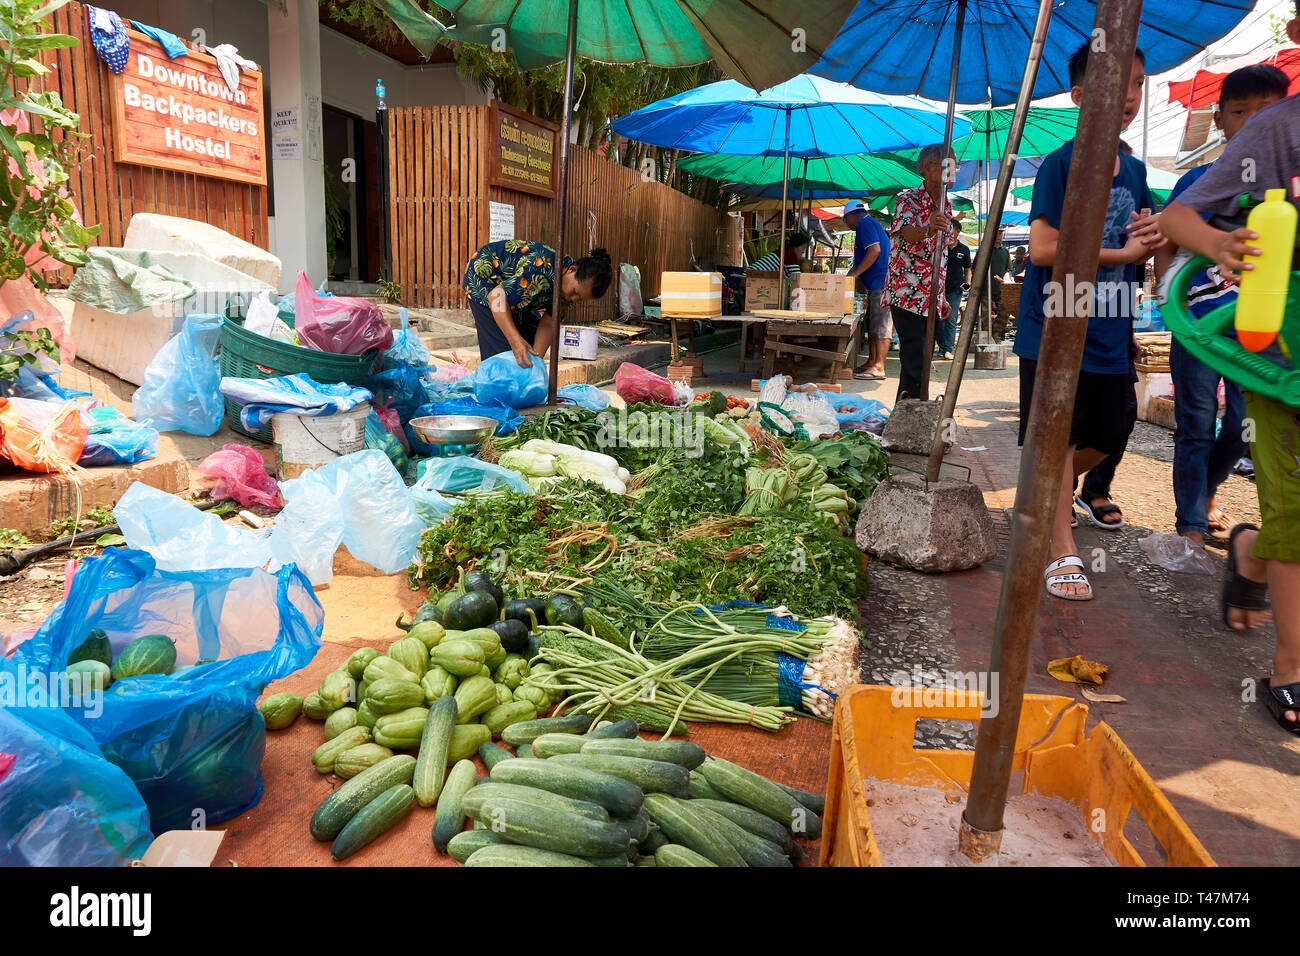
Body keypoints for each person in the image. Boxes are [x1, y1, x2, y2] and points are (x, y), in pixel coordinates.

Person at [1159, 4, 1300, 736]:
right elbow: (1182, 217)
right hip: (1278, 357)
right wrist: (1220, 246)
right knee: (1293, 504)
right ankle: (1291, 671)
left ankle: (1247, 552)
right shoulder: (1279, 129)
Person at [1014, 41, 1164, 601]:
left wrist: (1152, 241)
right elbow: (1043, 248)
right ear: (1079, 96)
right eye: (1113, 83)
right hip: (1055, 322)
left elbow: (1138, 244)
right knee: (1055, 437)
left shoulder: (1139, 169)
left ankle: (1045, 492)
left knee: (1114, 428)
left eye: (1138, 83)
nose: (1129, 96)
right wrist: (1124, 255)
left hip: (1110, 324)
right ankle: (1061, 547)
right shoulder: (1061, 163)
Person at [1155, 64, 1290, 546]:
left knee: (1240, 426)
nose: (1253, 122)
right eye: (1240, 112)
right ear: (1219, 119)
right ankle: (1189, 522)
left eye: (1266, 111)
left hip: (1261, 327)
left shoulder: (1283, 189)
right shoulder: (1198, 181)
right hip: (1199, 324)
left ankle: (1209, 491)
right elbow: (1167, 240)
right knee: (1194, 422)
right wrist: (1166, 292)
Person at [462, 240, 612, 367]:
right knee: (503, 354)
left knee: (528, 349)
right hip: (485, 279)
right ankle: (496, 393)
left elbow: (548, 323)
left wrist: (536, 364)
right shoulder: (540, 268)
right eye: (575, 292)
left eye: (579, 299)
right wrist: (514, 340)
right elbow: (496, 296)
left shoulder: (566, 290)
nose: (573, 299)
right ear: (572, 270)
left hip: (514, 295)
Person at [884, 143, 955, 401]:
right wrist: (928, 228)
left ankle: (906, 411)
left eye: (954, 166)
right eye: (947, 165)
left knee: (923, 356)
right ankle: (914, 409)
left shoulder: (946, 204)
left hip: (932, 294)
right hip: (907, 291)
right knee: (915, 356)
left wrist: (943, 295)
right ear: (928, 169)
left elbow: (942, 254)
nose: (953, 171)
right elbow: (906, 232)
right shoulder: (908, 198)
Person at [841, 201, 891, 380]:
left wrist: (855, 274)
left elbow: (874, 250)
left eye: (846, 221)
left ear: (851, 216)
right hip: (875, 283)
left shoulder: (865, 223)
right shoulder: (868, 223)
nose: (847, 225)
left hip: (881, 282)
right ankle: (872, 361)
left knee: (881, 324)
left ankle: (879, 366)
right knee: (872, 323)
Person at [941, 231, 971, 360]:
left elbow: (967, 268)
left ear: (958, 232)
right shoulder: (941, 246)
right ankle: (940, 346)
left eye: (953, 230)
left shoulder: (964, 249)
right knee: (938, 320)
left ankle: (948, 349)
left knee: (951, 319)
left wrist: (968, 283)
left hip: (955, 289)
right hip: (939, 288)